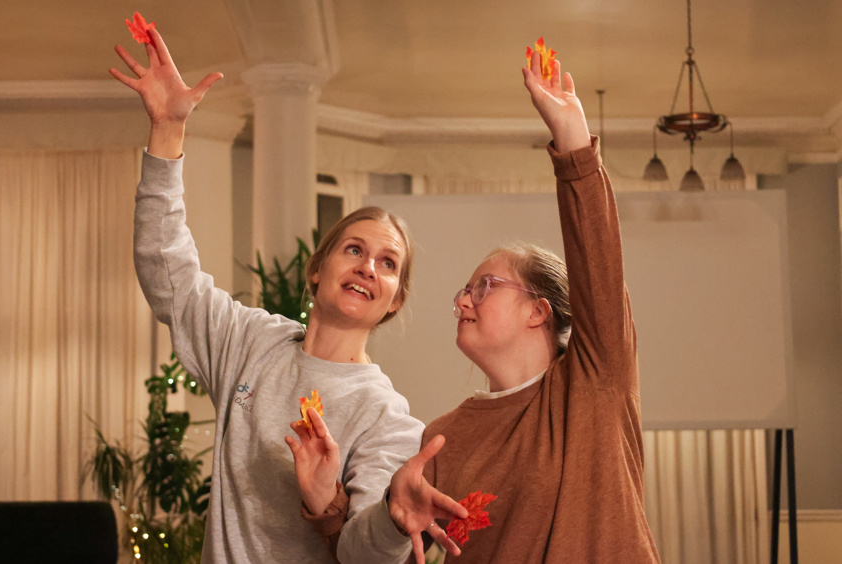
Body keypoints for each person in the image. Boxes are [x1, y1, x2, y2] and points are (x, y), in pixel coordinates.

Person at [110, 27, 466, 563]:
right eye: (353, 250)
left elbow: (363, 556)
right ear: (318, 269)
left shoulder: (385, 416)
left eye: (387, 263)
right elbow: (168, 275)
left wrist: (389, 519)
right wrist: (167, 131)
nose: (368, 266)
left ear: (393, 299)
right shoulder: (252, 342)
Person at [292, 48, 661, 563]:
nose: (463, 300)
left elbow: (599, 266)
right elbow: (371, 553)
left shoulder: (594, 385)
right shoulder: (442, 437)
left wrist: (574, 145)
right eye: (464, 290)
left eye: (484, 285)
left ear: (539, 311)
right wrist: (332, 505)